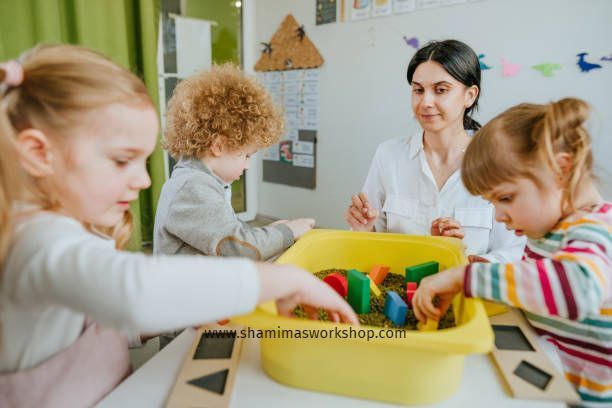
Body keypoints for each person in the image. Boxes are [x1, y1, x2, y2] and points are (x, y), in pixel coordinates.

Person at [0, 45, 357, 407]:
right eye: (123, 160)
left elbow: (99, 328)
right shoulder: (37, 241)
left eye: (143, 162)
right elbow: (132, 291)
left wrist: (188, 308)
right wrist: (285, 279)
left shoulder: (69, 232)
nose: (143, 180)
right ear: (38, 153)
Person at [413, 98, 611, 404]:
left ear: (561, 169)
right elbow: (536, 286)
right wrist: (486, 273)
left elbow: (577, 288)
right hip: (558, 383)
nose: (500, 216)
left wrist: (468, 276)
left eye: (505, 198)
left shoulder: (595, 230)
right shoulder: (551, 229)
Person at [345, 40, 525, 263]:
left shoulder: (500, 163)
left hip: (466, 290)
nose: (425, 102)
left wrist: (459, 258)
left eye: (441, 90)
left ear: (470, 95)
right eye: (418, 90)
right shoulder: (388, 155)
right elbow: (372, 243)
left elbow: (515, 252)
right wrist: (364, 229)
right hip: (397, 291)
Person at [154, 64, 314, 261]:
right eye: (246, 155)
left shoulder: (202, 181)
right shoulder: (192, 188)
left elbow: (228, 230)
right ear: (218, 146)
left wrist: (269, 232)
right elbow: (240, 249)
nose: (247, 166)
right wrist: (289, 231)